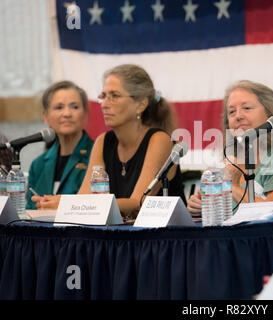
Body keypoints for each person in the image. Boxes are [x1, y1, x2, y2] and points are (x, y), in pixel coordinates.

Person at [32, 64, 184, 219]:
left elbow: (139, 202)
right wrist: (59, 202)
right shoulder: (103, 141)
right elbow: (85, 195)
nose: (104, 104)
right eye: (103, 96)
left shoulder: (159, 140)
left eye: (115, 96)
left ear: (141, 104)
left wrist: (66, 203)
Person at [187, 80, 273, 216]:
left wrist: (231, 187)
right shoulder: (228, 160)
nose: (238, 116)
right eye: (232, 112)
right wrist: (199, 206)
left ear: (270, 113)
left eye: (247, 108)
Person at [26, 81, 94, 209]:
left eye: (74, 107)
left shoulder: (99, 154)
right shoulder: (38, 165)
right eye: (59, 107)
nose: (67, 113)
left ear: (85, 114)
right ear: (46, 116)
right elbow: (29, 210)